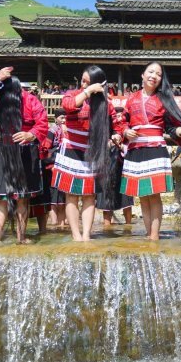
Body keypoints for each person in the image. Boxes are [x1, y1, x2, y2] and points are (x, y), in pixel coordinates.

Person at [120, 62, 181, 240]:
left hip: (155, 148)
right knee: (143, 195)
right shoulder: (131, 99)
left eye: (158, 74)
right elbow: (122, 121)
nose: (154, 76)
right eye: (151, 72)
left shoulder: (164, 99)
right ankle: (149, 234)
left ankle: (154, 236)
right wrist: (125, 130)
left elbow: (171, 128)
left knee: (154, 195)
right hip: (135, 149)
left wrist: (180, 131)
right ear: (142, 74)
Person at [0, 66, 49, 244]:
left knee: (22, 198)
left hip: (26, 153)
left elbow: (42, 123)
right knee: (1, 197)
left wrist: (30, 134)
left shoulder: (31, 100)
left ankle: (21, 237)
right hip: (3, 151)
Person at [52, 66, 119, 241]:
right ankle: (76, 235)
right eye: (82, 81)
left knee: (90, 195)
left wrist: (118, 133)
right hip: (72, 149)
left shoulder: (106, 103)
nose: (83, 84)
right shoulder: (72, 94)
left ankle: (87, 234)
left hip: (92, 151)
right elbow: (68, 106)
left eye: (88, 82)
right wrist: (87, 91)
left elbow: (117, 123)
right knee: (72, 195)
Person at [97, 107, 134, 229]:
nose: (118, 118)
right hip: (107, 169)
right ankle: (107, 228)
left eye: (120, 115)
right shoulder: (104, 130)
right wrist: (108, 144)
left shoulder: (129, 130)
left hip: (124, 167)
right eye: (115, 116)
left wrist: (122, 145)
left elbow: (132, 148)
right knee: (106, 200)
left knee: (126, 199)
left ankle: (128, 227)